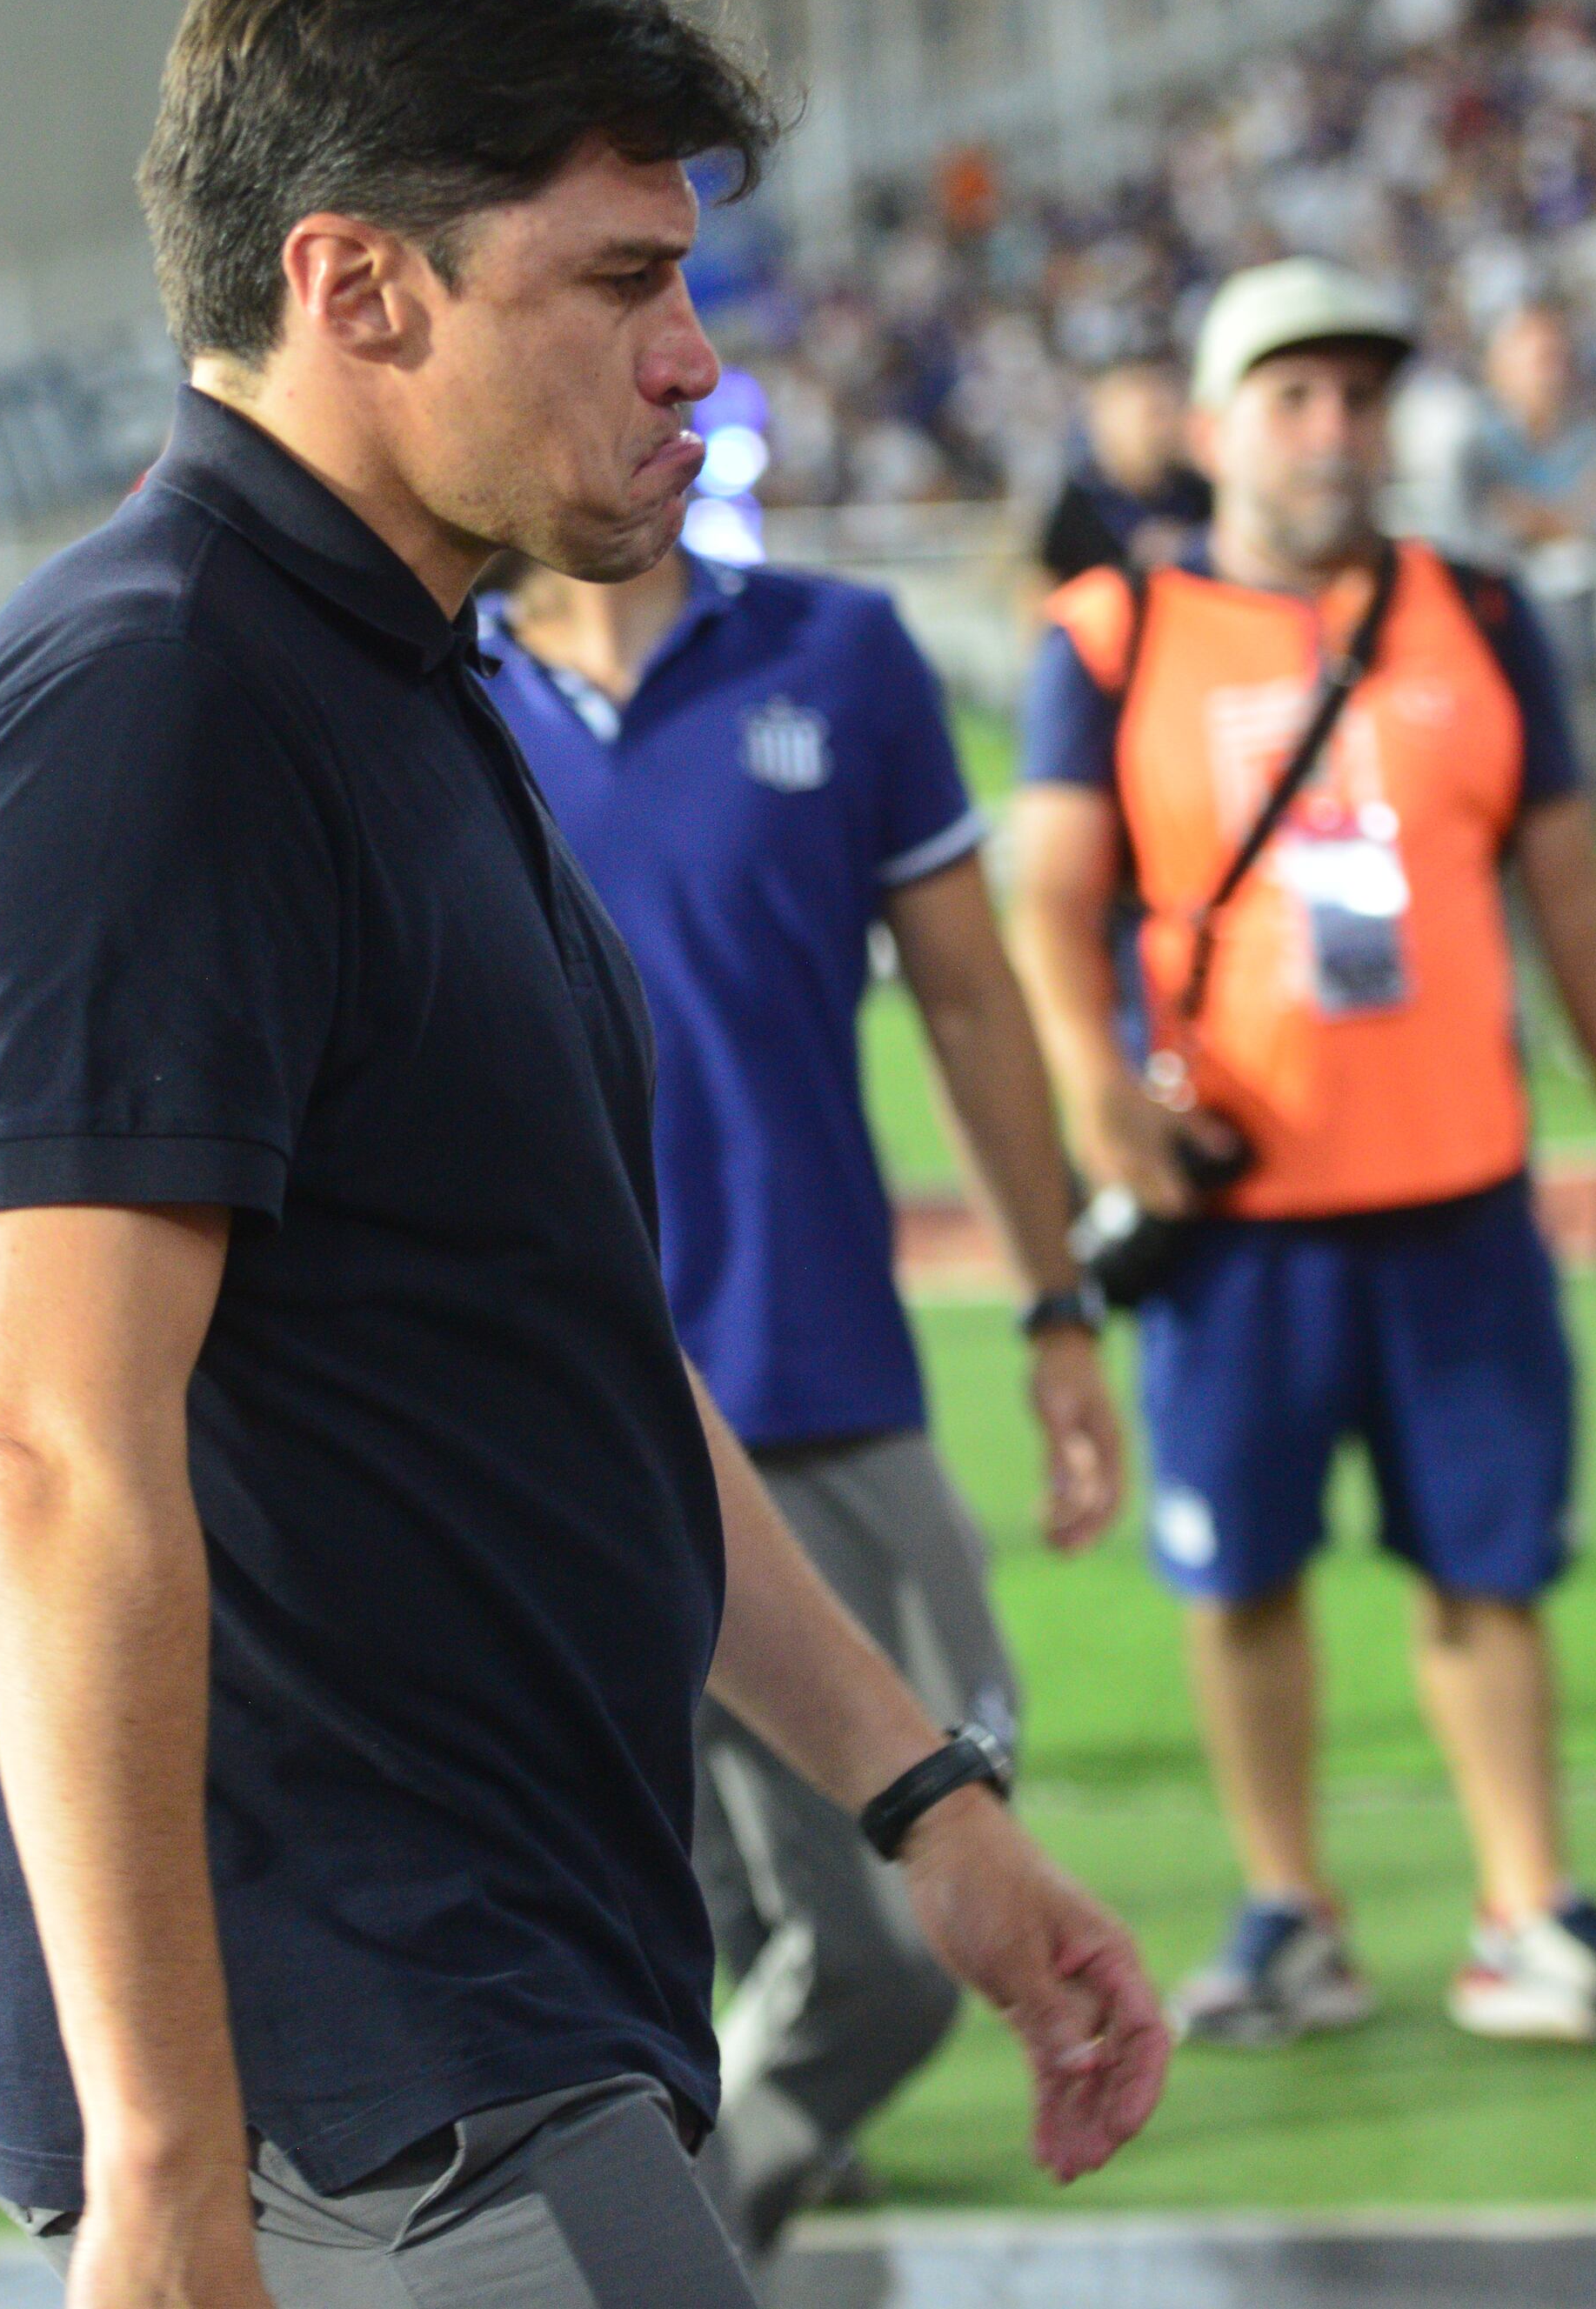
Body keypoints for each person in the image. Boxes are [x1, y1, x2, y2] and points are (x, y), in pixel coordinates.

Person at [0, 0, 1170, 2309]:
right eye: (614, 282)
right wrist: (162, 2169)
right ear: (358, 284)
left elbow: (557, 1345)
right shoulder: (161, 708)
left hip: (493, 2013)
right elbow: (50, 1446)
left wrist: (921, 1804)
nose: (693, 360)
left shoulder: (400, 675)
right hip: (352, 2089)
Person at [1005, 256, 1596, 2055]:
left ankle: (1524, 1910)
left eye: (1361, 397)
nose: (1334, 430)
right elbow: (1052, 898)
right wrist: (1094, 1088)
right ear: (1217, 421)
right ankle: (1285, 1907)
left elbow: (1570, 892)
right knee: (1239, 1575)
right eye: (1295, 396)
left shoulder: (1479, 614)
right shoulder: (1113, 635)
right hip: (1235, 1219)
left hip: (1459, 1198)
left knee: (1490, 1568)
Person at [484, 527, 1128, 2259]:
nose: (667, 368)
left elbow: (972, 1000)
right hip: (536, 1436)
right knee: (636, 1946)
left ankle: (680, 2237)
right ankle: (705, 2218)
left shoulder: (839, 655)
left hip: (818, 1375)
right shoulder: (425, 677)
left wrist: (1057, 1305)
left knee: (902, 1945)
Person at [1452, 301, 1596, 826]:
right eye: (1534, 356)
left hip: (1580, 656)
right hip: (1497, 654)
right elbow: (1477, 533)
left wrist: (1530, 516)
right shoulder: (1477, 447)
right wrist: (1564, 516)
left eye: (1555, 355)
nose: (1548, 368)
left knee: (1588, 806)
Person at [1037, 352, 1217, 582]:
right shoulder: (1082, 504)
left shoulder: (1198, 493)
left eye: (1168, 411)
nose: (1163, 428)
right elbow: (1047, 589)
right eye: (1152, 415)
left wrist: (1190, 546)